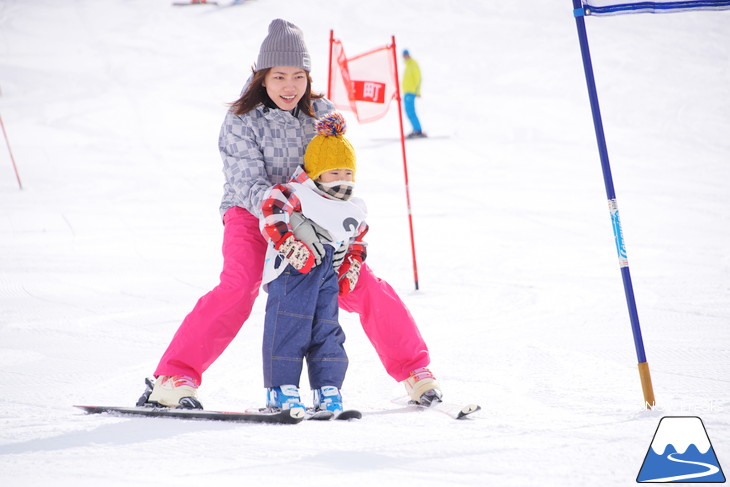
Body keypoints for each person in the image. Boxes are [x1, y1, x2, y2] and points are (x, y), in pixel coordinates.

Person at [144, 19, 441, 410]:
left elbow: (335, 173)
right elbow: (247, 182)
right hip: (251, 216)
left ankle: (416, 372)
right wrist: (283, 221)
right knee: (240, 286)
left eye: (298, 76)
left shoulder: (322, 114)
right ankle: (174, 375)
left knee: (360, 285)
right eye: (280, 76)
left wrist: (341, 230)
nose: (290, 86)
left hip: (315, 220)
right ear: (262, 77)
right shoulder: (241, 120)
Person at [260, 112, 365, 413]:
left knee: (328, 331)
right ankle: (281, 389)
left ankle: (327, 388)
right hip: (295, 271)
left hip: (327, 274)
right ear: (317, 174)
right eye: (333, 174)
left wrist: (351, 265)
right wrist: (288, 243)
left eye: (347, 173)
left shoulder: (352, 208)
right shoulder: (298, 193)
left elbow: (358, 236)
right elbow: (272, 206)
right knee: (289, 326)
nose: (342, 181)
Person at [402, 49, 426, 138]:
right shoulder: (408, 65)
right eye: (404, 55)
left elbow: (418, 78)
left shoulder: (413, 64)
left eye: (406, 55)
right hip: (407, 92)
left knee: (411, 111)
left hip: (411, 92)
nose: (405, 57)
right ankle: (416, 129)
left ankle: (418, 130)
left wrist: (417, 92)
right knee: (408, 112)